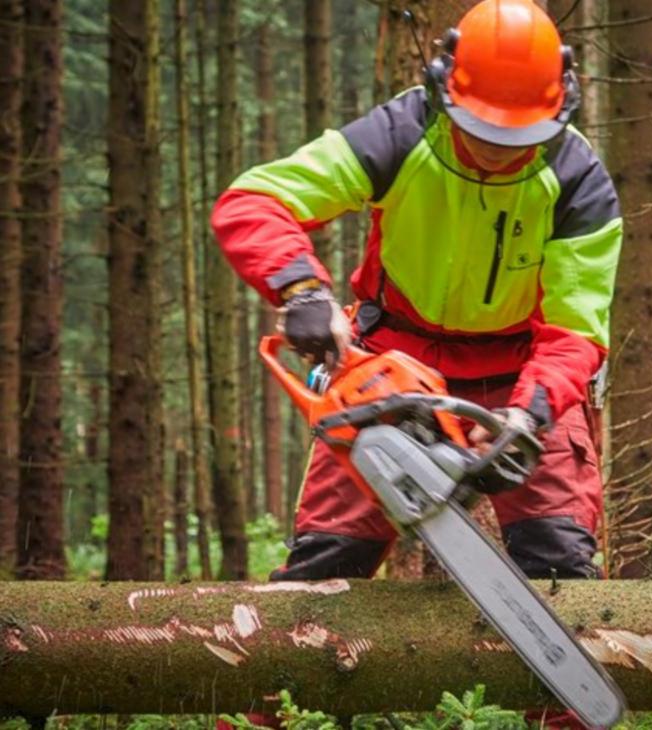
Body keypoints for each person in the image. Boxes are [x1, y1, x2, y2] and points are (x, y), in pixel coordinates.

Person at [211, 0, 621, 583]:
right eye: (482, 129)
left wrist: (528, 414)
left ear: (557, 110)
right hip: (393, 363)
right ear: (445, 93)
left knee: (561, 566)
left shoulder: (578, 182)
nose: (497, 148)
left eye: (518, 135)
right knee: (325, 563)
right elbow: (255, 201)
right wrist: (302, 290)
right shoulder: (402, 134)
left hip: (520, 379)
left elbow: (575, 332)